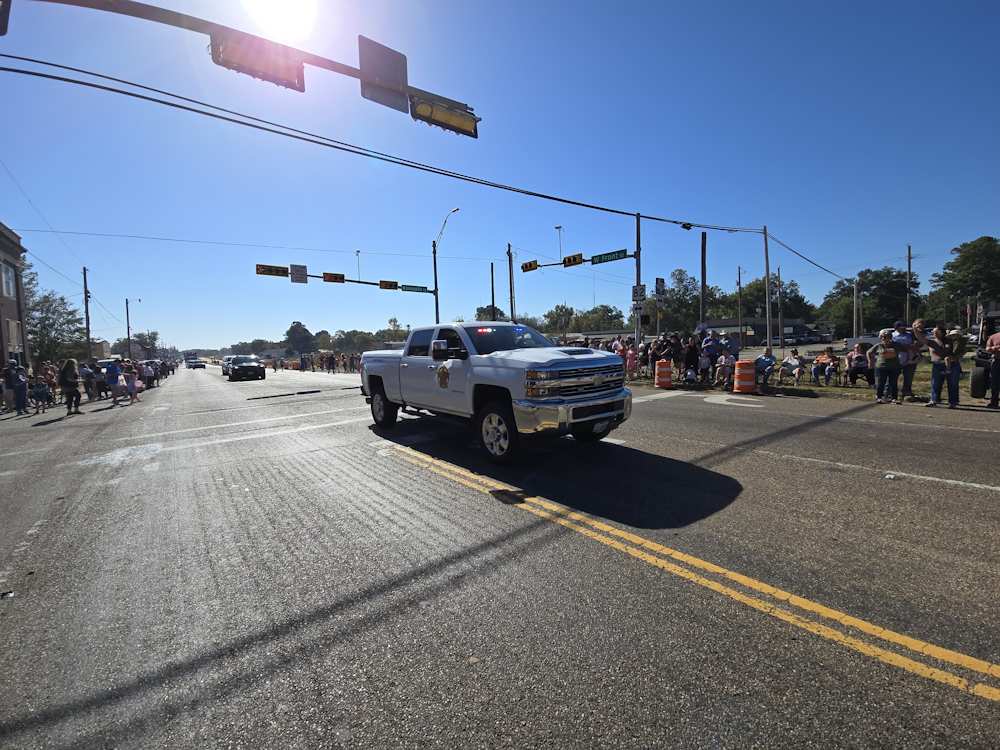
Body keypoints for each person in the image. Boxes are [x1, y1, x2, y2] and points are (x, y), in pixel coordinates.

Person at [922, 325, 962, 408]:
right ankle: (934, 400)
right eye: (933, 332)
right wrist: (915, 329)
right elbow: (921, 339)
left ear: (942, 332)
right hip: (938, 364)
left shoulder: (950, 341)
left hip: (952, 364)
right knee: (935, 383)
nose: (934, 333)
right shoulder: (933, 342)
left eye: (936, 331)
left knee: (953, 384)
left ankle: (953, 402)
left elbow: (958, 351)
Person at [867, 331, 901, 404]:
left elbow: (894, 353)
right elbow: (869, 352)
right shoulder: (878, 345)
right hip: (881, 367)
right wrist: (870, 361)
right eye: (882, 337)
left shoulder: (896, 345)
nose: (884, 339)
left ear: (890, 337)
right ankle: (879, 397)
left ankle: (894, 398)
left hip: (894, 367)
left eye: (886, 337)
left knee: (893, 383)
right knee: (880, 383)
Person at [892, 321, 919, 401]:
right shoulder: (893, 335)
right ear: (896, 327)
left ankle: (906, 392)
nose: (904, 328)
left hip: (910, 359)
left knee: (908, 377)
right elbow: (893, 345)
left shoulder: (910, 335)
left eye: (905, 326)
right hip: (896, 359)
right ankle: (891, 393)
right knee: (893, 377)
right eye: (902, 327)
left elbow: (915, 345)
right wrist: (906, 347)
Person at [986, 325, 1000, 409]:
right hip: (997, 361)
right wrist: (994, 348)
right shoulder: (993, 337)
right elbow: (987, 348)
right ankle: (994, 402)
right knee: (995, 382)